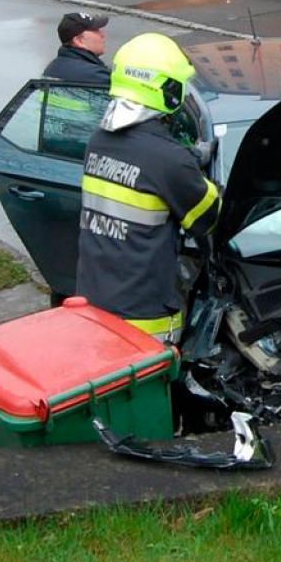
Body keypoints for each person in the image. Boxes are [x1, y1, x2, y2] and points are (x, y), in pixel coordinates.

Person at [75, 33, 220, 342]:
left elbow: (144, 166)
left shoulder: (98, 141)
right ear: (167, 88)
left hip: (94, 304)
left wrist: (189, 158)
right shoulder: (169, 160)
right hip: (144, 320)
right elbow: (211, 217)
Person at [43, 12, 112, 83]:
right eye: (96, 30)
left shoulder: (52, 68)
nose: (103, 35)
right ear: (79, 40)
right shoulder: (95, 75)